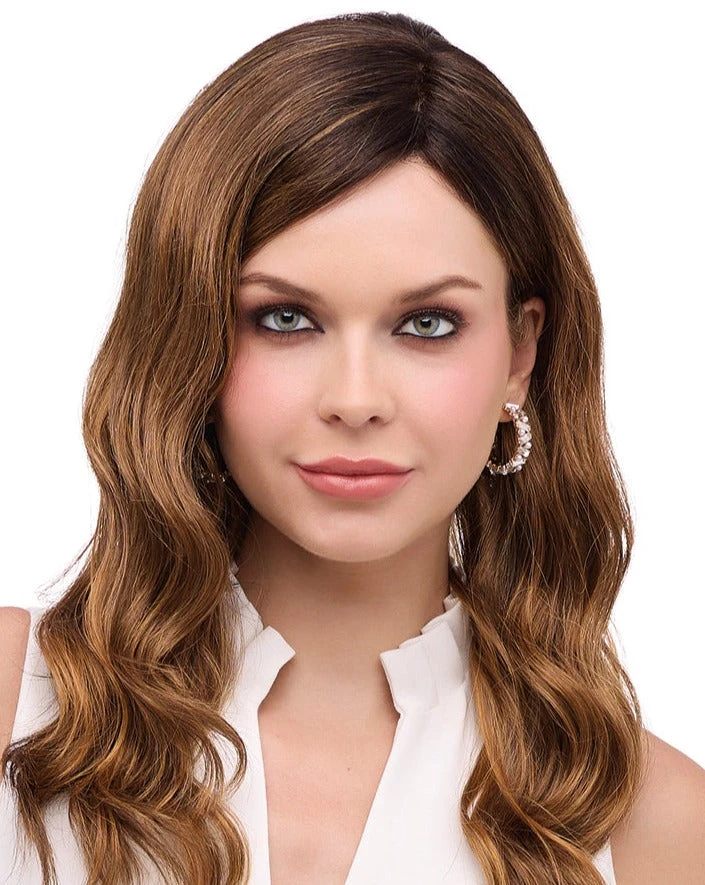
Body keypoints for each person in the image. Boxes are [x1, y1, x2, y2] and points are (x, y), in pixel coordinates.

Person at [1, 10, 704, 885]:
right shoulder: (16, 708)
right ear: (190, 338)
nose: (356, 400)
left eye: (427, 323)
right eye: (284, 318)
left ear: (520, 353)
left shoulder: (656, 826)